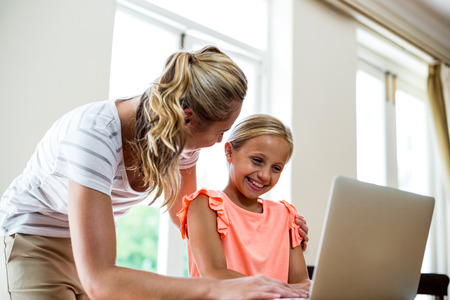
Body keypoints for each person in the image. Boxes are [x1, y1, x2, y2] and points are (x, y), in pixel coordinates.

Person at [0, 46, 308, 300]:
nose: (218, 143)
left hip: (90, 247)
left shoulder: (182, 140)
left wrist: (268, 226)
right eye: (220, 132)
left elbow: (185, 217)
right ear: (188, 118)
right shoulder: (92, 137)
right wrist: (217, 287)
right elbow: (101, 281)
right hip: (37, 237)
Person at [177, 114, 311, 297]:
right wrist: (283, 289)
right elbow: (214, 274)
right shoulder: (205, 205)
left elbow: (301, 282)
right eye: (257, 160)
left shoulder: (285, 215)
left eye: (276, 168)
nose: (265, 175)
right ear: (229, 152)